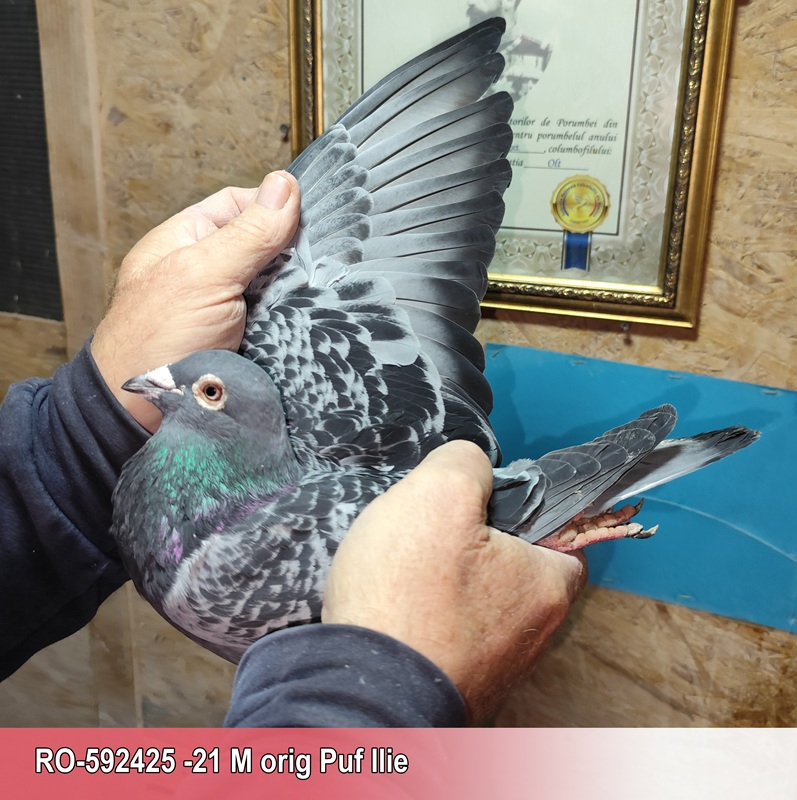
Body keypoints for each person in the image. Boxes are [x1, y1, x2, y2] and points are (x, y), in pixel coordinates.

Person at [0, 170, 586, 726]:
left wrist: (84, 429)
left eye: (206, 391)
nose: (151, 378)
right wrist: (387, 685)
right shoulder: (218, 550)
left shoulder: (220, 571)